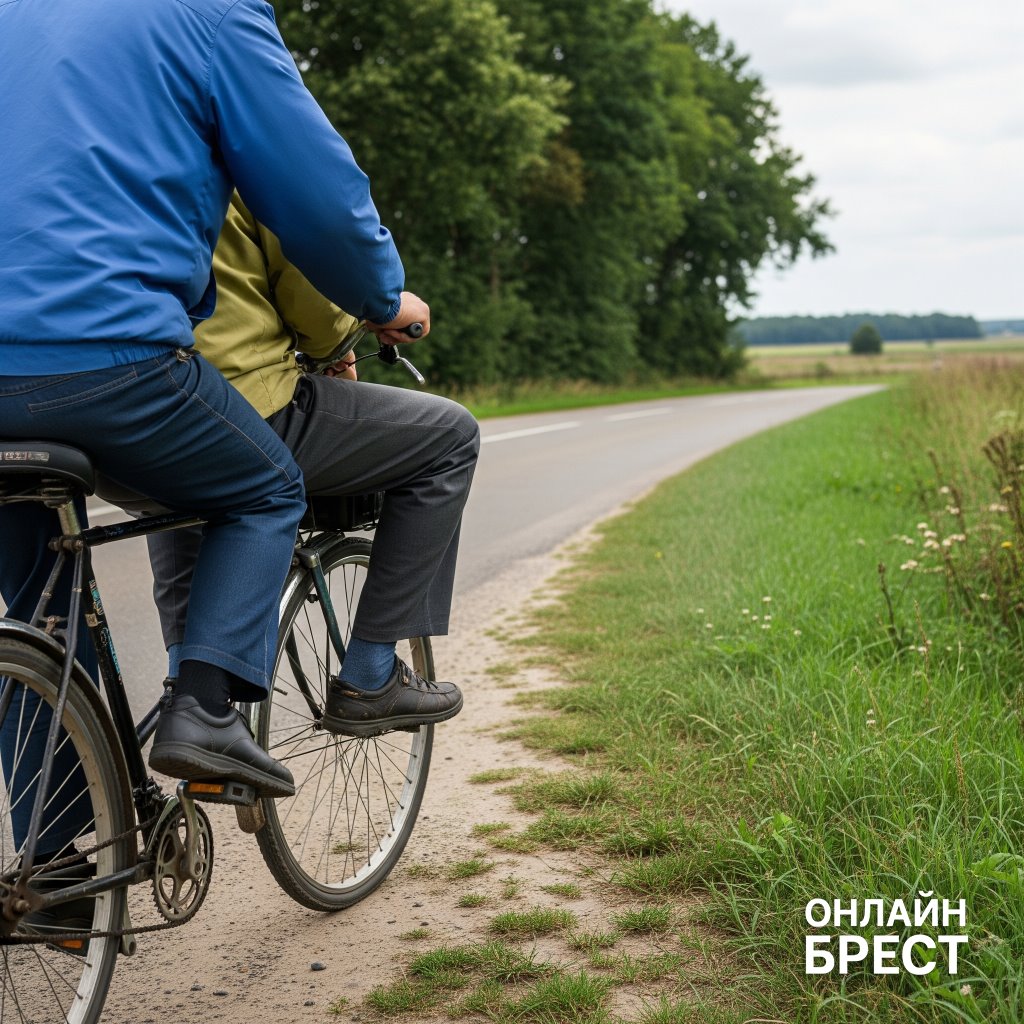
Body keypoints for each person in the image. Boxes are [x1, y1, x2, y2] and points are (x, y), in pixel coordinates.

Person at [0, 0, 434, 859]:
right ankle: (203, 710)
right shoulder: (208, 12)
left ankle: (51, 874)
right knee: (268, 483)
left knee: (39, 615)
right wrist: (384, 300)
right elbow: (317, 194)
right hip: (109, 353)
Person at [144, 192, 478, 733]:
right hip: (234, 394)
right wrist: (372, 313)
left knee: (171, 479)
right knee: (451, 436)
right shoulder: (228, 129)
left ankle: (185, 684)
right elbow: (313, 285)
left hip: (104, 395)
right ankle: (370, 674)